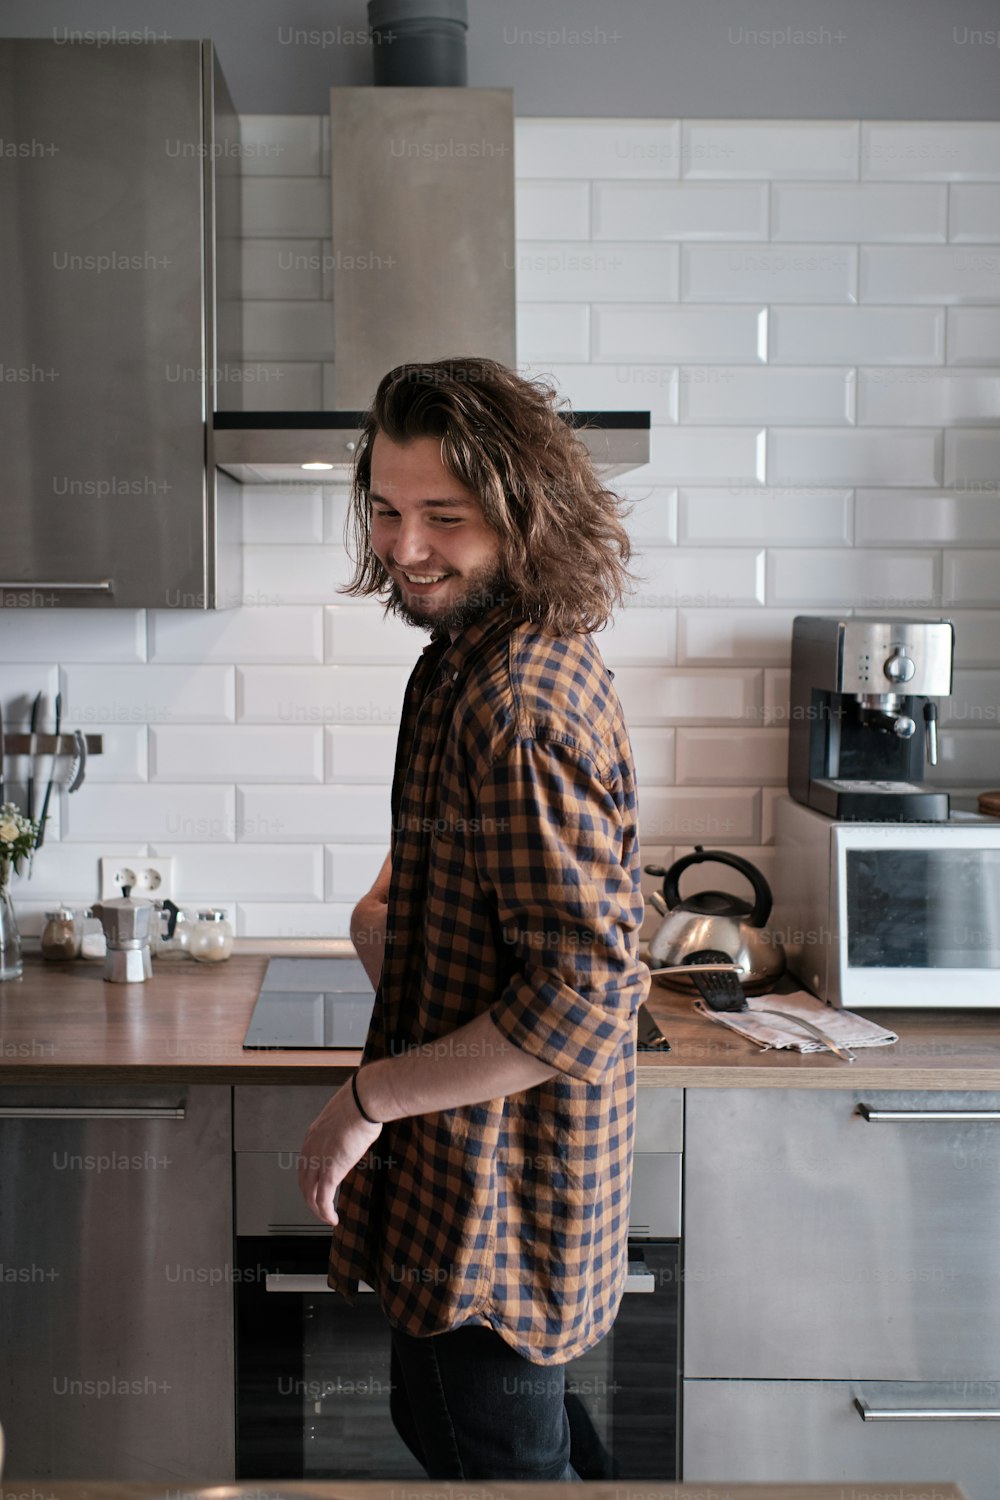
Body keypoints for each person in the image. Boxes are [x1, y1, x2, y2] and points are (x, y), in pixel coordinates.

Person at [298, 356, 650, 1482]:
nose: (405, 550)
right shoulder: (464, 658)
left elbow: (585, 1002)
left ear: (520, 512)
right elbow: (469, 877)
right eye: (389, 512)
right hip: (467, 1186)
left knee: (489, 1465)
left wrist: (362, 1102)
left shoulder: (518, 704)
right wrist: (393, 915)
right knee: (502, 1451)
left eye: (442, 518)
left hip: (501, 1205)